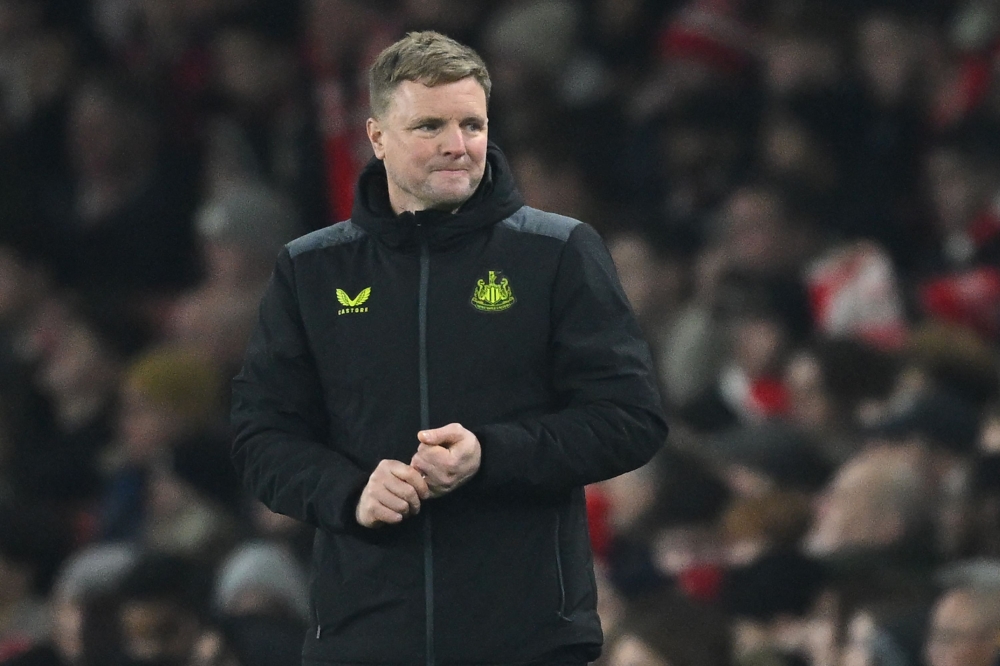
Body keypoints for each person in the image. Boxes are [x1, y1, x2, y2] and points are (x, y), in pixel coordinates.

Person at [231, 30, 668, 666]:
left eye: (472, 123)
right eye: (430, 126)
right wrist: (349, 492)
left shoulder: (558, 254)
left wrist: (490, 453)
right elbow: (260, 436)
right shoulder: (311, 270)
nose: (457, 146)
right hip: (365, 639)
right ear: (377, 136)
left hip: (527, 638)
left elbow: (632, 419)